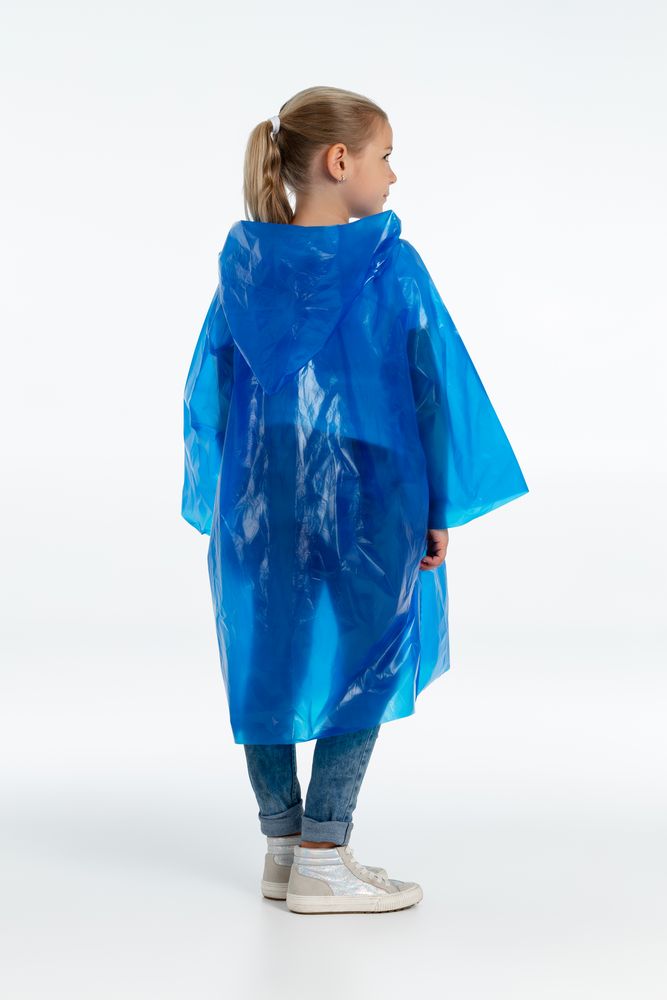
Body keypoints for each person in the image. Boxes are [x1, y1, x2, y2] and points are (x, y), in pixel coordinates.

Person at [181, 86, 529, 914]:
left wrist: (228, 501)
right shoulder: (388, 263)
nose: (392, 175)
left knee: (268, 654)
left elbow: (209, 394)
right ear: (340, 161)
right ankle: (324, 856)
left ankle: (281, 846)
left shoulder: (246, 268)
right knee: (366, 656)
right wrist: (437, 505)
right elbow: (432, 385)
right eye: (385, 156)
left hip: (261, 492)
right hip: (368, 490)